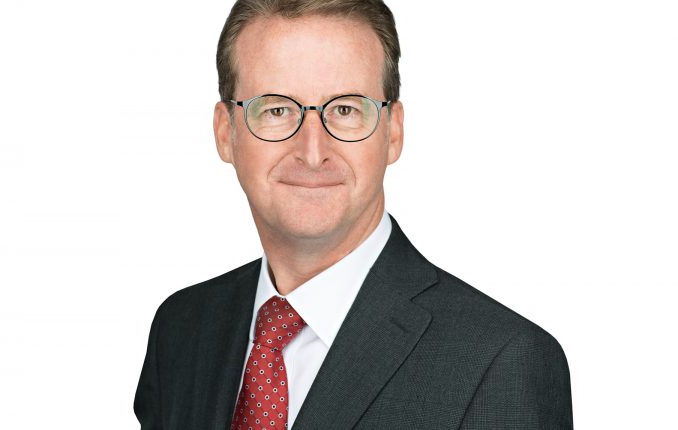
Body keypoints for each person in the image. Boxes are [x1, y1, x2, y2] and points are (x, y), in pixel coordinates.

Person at [134, 0, 573, 428]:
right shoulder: (181, 329)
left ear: (393, 131)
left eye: (345, 110)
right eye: (276, 109)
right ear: (225, 133)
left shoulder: (501, 362)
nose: (312, 153)